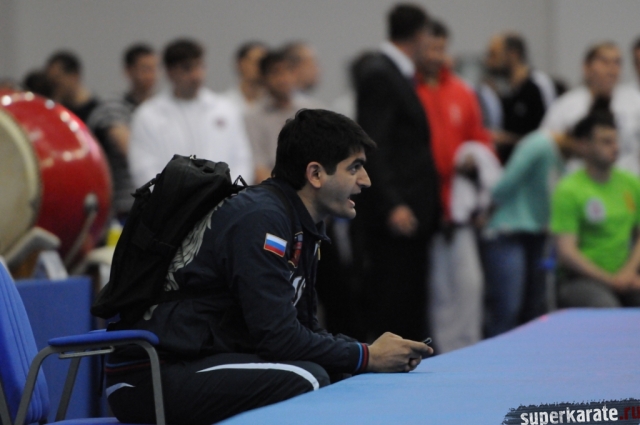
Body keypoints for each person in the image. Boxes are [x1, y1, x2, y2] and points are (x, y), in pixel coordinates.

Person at [104, 109, 433, 425]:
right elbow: (278, 339)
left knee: (339, 373)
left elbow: (304, 329)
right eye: (355, 167)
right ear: (315, 174)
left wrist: (366, 354)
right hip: (149, 375)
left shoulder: (300, 224)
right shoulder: (263, 219)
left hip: (197, 362)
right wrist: (367, 355)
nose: (366, 180)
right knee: (309, 379)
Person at [354, 3, 439, 342]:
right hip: (397, 215)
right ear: (419, 35)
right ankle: (391, 367)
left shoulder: (394, 73)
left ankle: (408, 361)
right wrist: (393, 204)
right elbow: (375, 145)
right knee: (395, 301)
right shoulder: (381, 74)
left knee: (410, 301)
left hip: (412, 210)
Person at [415, 19, 493, 352]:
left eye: (441, 48)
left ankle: (470, 351)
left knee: (470, 285)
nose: (436, 55)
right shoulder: (408, 91)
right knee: (439, 292)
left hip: (458, 209)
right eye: (431, 48)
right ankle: (443, 354)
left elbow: (481, 140)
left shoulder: (462, 92)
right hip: (424, 209)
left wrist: (476, 162)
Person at [482, 120, 579, 337]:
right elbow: (504, 185)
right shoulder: (538, 144)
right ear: (578, 139)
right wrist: (487, 210)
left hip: (536, 236)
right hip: (508, 231)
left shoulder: (567, 162)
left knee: (533, 311)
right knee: (507, 308)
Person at [551, 99, 640, 308]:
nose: (615, 148)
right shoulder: (569, 189)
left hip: (625, 275)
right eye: (606, 142)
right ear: (584, 145)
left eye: (616, 141)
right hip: (582, 279)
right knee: (606, 309)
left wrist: (628, 273)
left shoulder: (631, 183)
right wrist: (610, 280)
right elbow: (567, 252)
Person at [128, 38, 254, 187]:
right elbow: (144, 168)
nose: (196, 75)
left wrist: (230, 193)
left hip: (225, 198)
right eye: (187, 68)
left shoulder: (226, 109)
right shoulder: (148, 115)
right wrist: (172, 197)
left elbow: (242, 160)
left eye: (200, 66)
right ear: (170, 72)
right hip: (170, 199)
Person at [541, 42, 640, 174]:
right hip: (580, 179)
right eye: (605, 62)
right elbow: (544, 142)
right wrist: (572, 144)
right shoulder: (566, 106)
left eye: (617, 62)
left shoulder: (635, 101)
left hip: (627, 180)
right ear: (586, 67)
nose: (612, 69)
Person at [87, 43, 158, 219]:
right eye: (145, 69)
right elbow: (131, 151)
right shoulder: (113, 106)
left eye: (154, 69)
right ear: (128, 71)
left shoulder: (162, 109)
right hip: (125, 207)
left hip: (158, 205)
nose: (151, 75)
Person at [245, 49, 321, 183]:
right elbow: (257, 167)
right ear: (263, 78)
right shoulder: (252, 117)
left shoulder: (313, 110)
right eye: (276, 73)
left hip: (311, 184)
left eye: (289, 71)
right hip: (272, 188)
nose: (284, 78)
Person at [485, 33, 556, 164]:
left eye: (494, 54)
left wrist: (506, 139)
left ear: (513, 54)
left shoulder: (538, 85)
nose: (488, 61)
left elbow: (549, 136)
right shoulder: (505, 91)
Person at [45, 50, 100, 123]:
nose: (55, 89)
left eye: (57, 81)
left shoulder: (98, 114)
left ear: (74, 76)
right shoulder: (56, 111)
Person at [223, 41, 268, 114]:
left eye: (264, 64)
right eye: (255, 62)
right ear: (240, 64)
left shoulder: (276, 103)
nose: (260, 67)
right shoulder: (225, 102)